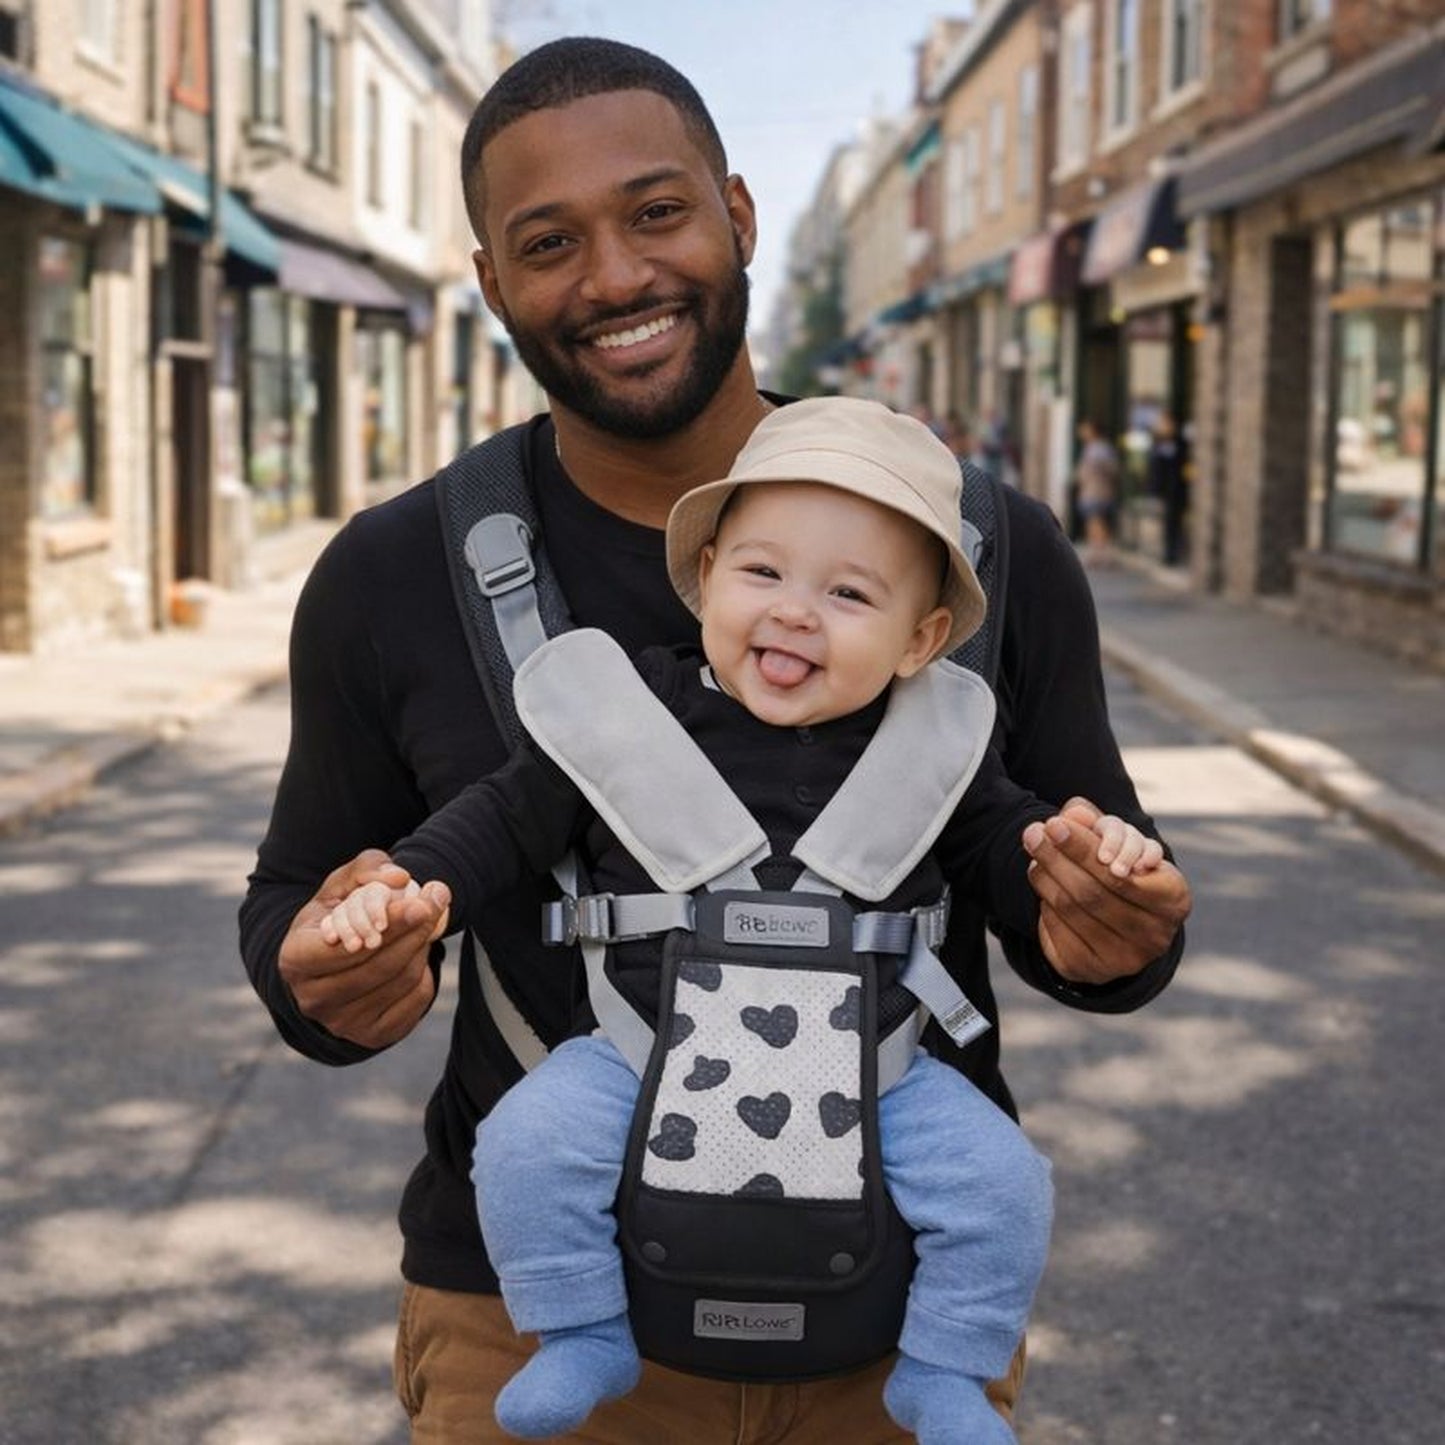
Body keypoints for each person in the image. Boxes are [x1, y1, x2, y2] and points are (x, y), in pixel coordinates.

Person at [239, 36, 1192, 1443]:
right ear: (490, 282)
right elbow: (295, 905)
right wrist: (327, 976)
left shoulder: (982, 549)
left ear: (737, 216)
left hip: (897, 1313)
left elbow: (1077, 890)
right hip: (526, 1320)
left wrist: (1112, 931)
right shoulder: (389, 576)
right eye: (548, 243)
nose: (614, 274)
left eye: (657, 211)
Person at [320, 400, 1166, 1443]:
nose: (795, 611)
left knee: (1005, 1186)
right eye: (762, 572)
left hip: (878, 1073)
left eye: (848, 593)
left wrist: (1093, 859)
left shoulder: (934, 747)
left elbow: (1017, 846)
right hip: (635, 1056)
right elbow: (499, 816)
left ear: (920, 639)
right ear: (707, 572)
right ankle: (580, 1330)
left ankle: (943, 1369)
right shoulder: (635, 711)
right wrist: (409, 882)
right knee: (524, 1145)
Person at [1073, 418, 1121, 566]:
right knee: (1093, 523)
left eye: (1085, 429)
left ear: (1093, 431)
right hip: (1093, 490)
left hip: (1097, 491)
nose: (1082, 432)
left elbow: (1111, 470)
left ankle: (1103, 555)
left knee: (1096, 522)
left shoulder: (1099, 449)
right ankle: (1096, 554)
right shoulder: (1094, 448)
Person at [1146, 412, 1188, 568]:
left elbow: (1183, 465)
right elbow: (1154, 468)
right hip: (1162, 490)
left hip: (1177, 491)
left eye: (1166, 424)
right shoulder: (1157, 442)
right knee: (1165, 522)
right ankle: (1165, 552)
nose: (1163, 427)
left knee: (1174, 522)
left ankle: (1172, 553)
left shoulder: (1180, 443)